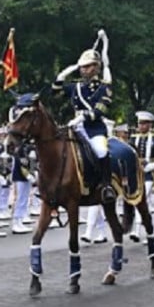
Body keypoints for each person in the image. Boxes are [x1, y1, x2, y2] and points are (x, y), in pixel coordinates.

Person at [52, 29, 115, 203]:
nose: (83, 70)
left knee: (101, 151)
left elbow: (100, 110)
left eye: (87, 67)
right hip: (74, 128)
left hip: (94, 129)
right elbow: (55, 93)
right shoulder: (75, 87)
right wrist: (62, 75)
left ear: (96, 67)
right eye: (81, 67)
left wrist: (83, 117)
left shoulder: (104, 87)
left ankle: (106, 185)